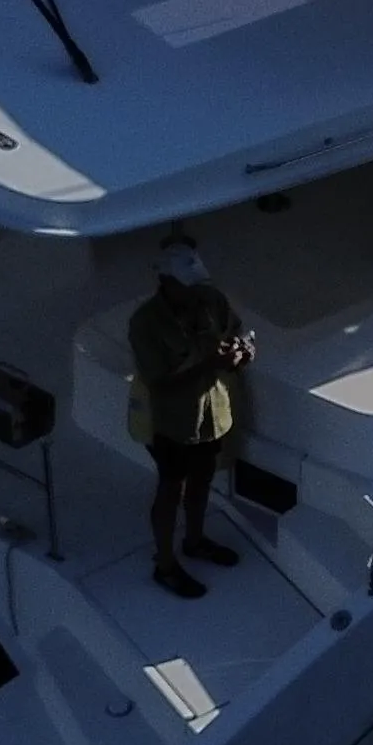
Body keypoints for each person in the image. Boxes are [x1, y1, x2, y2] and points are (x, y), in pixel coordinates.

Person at [128, 237, 253, 598]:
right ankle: (165, 565)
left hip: (211, 412)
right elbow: (159, 383)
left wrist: (244, 350)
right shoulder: (145, 324)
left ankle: (195, 541)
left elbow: (236, 331)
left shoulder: (211, 300)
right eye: (187, 285)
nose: (195, 293)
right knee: (171, 487)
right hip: (169, 421)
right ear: (165, 282)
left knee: (202, 477)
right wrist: (212, 364)